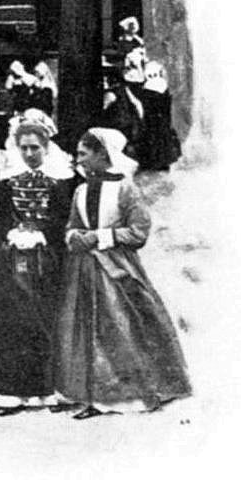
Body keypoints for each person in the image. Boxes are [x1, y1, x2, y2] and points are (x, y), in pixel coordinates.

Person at [53, 128, 192, 418]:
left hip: (116, 268)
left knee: (118, 325)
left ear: (102, 155)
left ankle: (116, 396)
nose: (77, 159)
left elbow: (139, 232)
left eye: (83, 153)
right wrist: (74, 236)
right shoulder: (80, 189)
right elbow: (72, 224)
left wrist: (100, 237)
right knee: (80, 327)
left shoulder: (125, 189)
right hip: (83, 269)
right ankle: (83, 392)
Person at [0, 111, 76, 416]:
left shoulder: (63, 181)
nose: (29, 153)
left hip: (48, 262)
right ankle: (11, 393)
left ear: (47, 147)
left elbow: (68, 221)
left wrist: (43, 234)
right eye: (24, 148)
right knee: (10, 322)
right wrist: (10, 232)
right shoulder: (9, 183)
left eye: (35, 147)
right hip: (10, 262)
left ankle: (47, 390)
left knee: (45, 320)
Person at [134, 62, 180, 171]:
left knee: (152, 146)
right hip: (164, 125)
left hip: (151, 125)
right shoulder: (164, 86)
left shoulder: (149, 88)